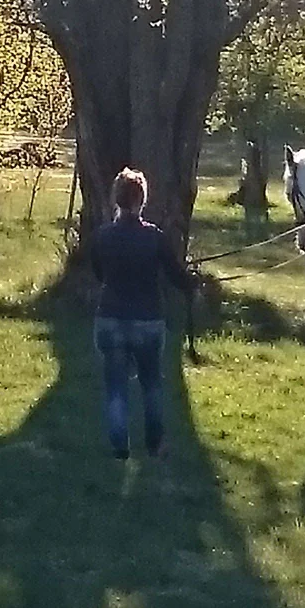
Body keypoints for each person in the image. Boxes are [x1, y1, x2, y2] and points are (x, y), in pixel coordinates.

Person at [90, 168, 195, 460]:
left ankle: (119, 445)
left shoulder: (102, 236)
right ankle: (155, 443)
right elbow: (175, 275)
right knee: (151, 384)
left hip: (110, 317)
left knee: (115, 385)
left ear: (116, 199)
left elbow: (98, 271)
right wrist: (191, 285)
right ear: (142, 200)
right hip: (148, 320)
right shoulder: (155, 238)